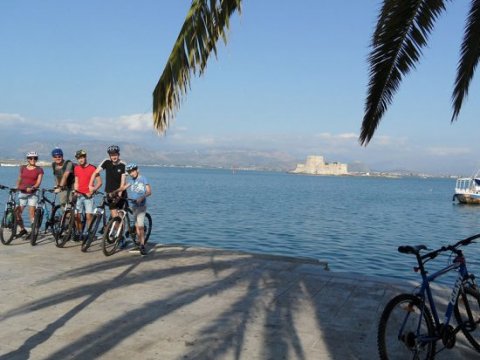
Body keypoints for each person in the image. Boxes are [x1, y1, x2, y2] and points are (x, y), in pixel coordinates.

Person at [89, 145, 127, 218]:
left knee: (119, 217)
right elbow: (95, 172)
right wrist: (90, 185)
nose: (114, 157)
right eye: (112, 155)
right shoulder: (106, 162)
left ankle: (121, 228)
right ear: (109, 156)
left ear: (118, 154)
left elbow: (123, 182)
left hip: (120, 193)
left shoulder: (123, 165)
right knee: (114, 217)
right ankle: (112, 227)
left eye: (115, 154)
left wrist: (119, 195)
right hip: (109, 193)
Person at [122, 163, 151, 255]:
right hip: (134, 205)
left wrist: (142, 197)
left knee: (140, 226)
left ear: (137, 170)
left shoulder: (143, 179)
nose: (131, 173)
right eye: (130, 172)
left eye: (133, 171)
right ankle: (139, 243)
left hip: (141, 206)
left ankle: (142, 245)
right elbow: (124, 187)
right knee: (136, 226)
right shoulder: (132, 180)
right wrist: (115, 192)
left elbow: (149, 191)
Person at [73, 149, 102, 239]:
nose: (80, 160)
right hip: (79, 195)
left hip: (88, 196)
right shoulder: (76, 168)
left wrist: (92, 190)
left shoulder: (93, 168)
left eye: (82, 157)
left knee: (89, 216)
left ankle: (90, 234)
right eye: (79, 158)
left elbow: (99, 182)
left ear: (85, 157)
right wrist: (75, 191)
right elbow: (76, 181)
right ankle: (80, 233)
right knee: (76, 215)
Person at [15, 151, 44, 238]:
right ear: (27, 159)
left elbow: (38, 183)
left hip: (32, 194)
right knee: (17, 212)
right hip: (22, 192)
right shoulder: (23, 168)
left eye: (35, 158)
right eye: (31, 158)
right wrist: (16, 187)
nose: (33, 160)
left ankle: (33, 231)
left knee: (31, 212)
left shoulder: (39, 170)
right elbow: (19, 178)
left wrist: (33, 187)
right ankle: (23, 229)